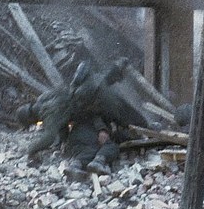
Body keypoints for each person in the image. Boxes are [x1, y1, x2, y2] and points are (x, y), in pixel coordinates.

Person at [16, 58, 148, 178]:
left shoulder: (48, 113)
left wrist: (30, 150)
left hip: (95, 101)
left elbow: (48, 137)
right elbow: (62, 124)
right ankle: (118, 66)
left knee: (127, 118)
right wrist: (62, 140)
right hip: (88, 89)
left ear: (31, 119)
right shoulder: (44, 98)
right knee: (103, 85)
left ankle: (147, 130)